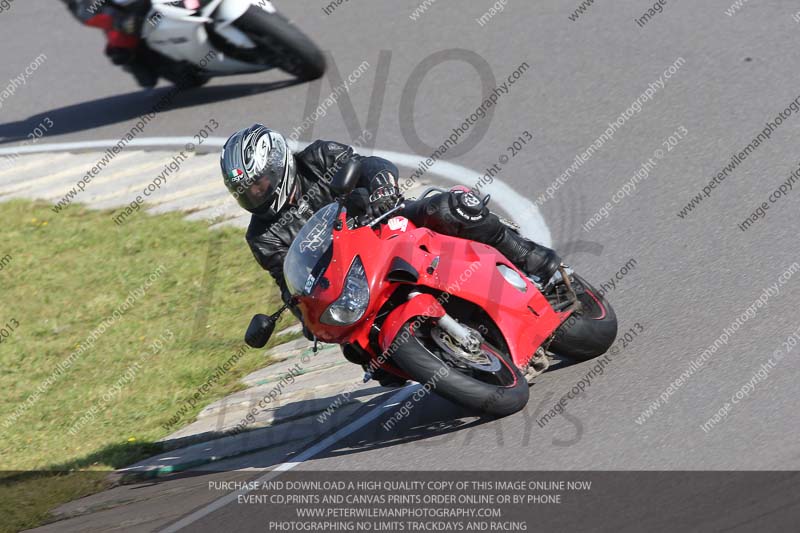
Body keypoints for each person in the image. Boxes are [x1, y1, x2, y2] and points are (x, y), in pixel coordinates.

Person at [221, 124, 562, 385]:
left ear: (278, 165)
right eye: (247, 193)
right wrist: (304, 314)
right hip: (351, 278)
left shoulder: (318, 157)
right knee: (360, 351)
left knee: (452, 208)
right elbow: (287, 280)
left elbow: (369, 165)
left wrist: (381, 187)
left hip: (387, 225)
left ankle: (528, 257)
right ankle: (444, 362)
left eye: (259, 184)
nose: (256, 194)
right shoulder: (262, 237)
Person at [64, 0, 158, 88]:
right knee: (122, 45)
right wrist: (119, 21)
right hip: (125, 15)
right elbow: (87, 12)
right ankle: (133, 60)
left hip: (152, 6)